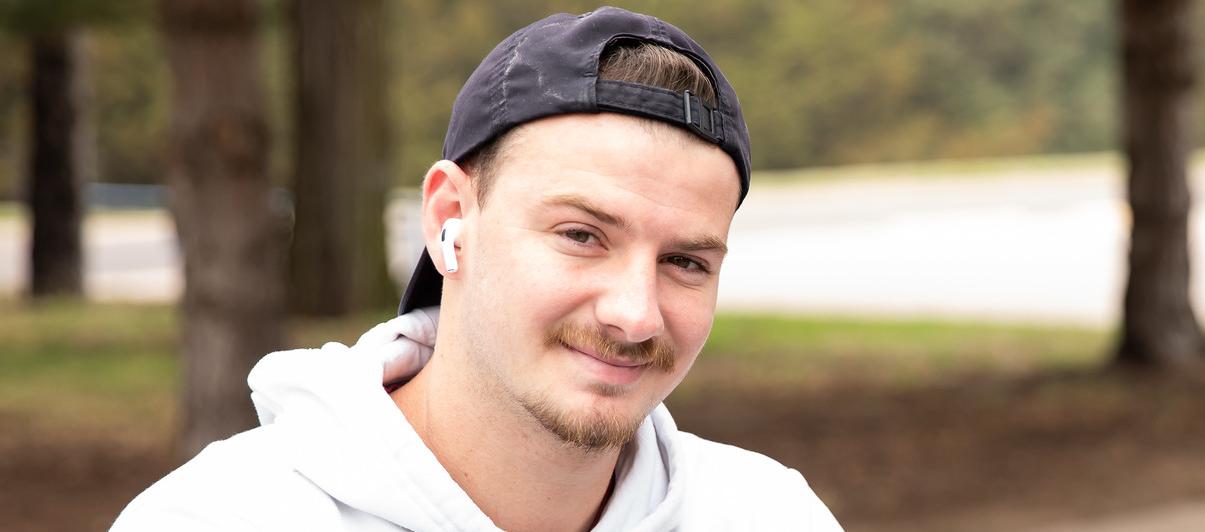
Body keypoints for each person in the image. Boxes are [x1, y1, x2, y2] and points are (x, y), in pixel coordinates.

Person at [114, 7, 842, 531]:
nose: (635, 313)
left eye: (686, 261)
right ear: (447, 221)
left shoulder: (768, 513)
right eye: (582, 234)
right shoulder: (222, 518)